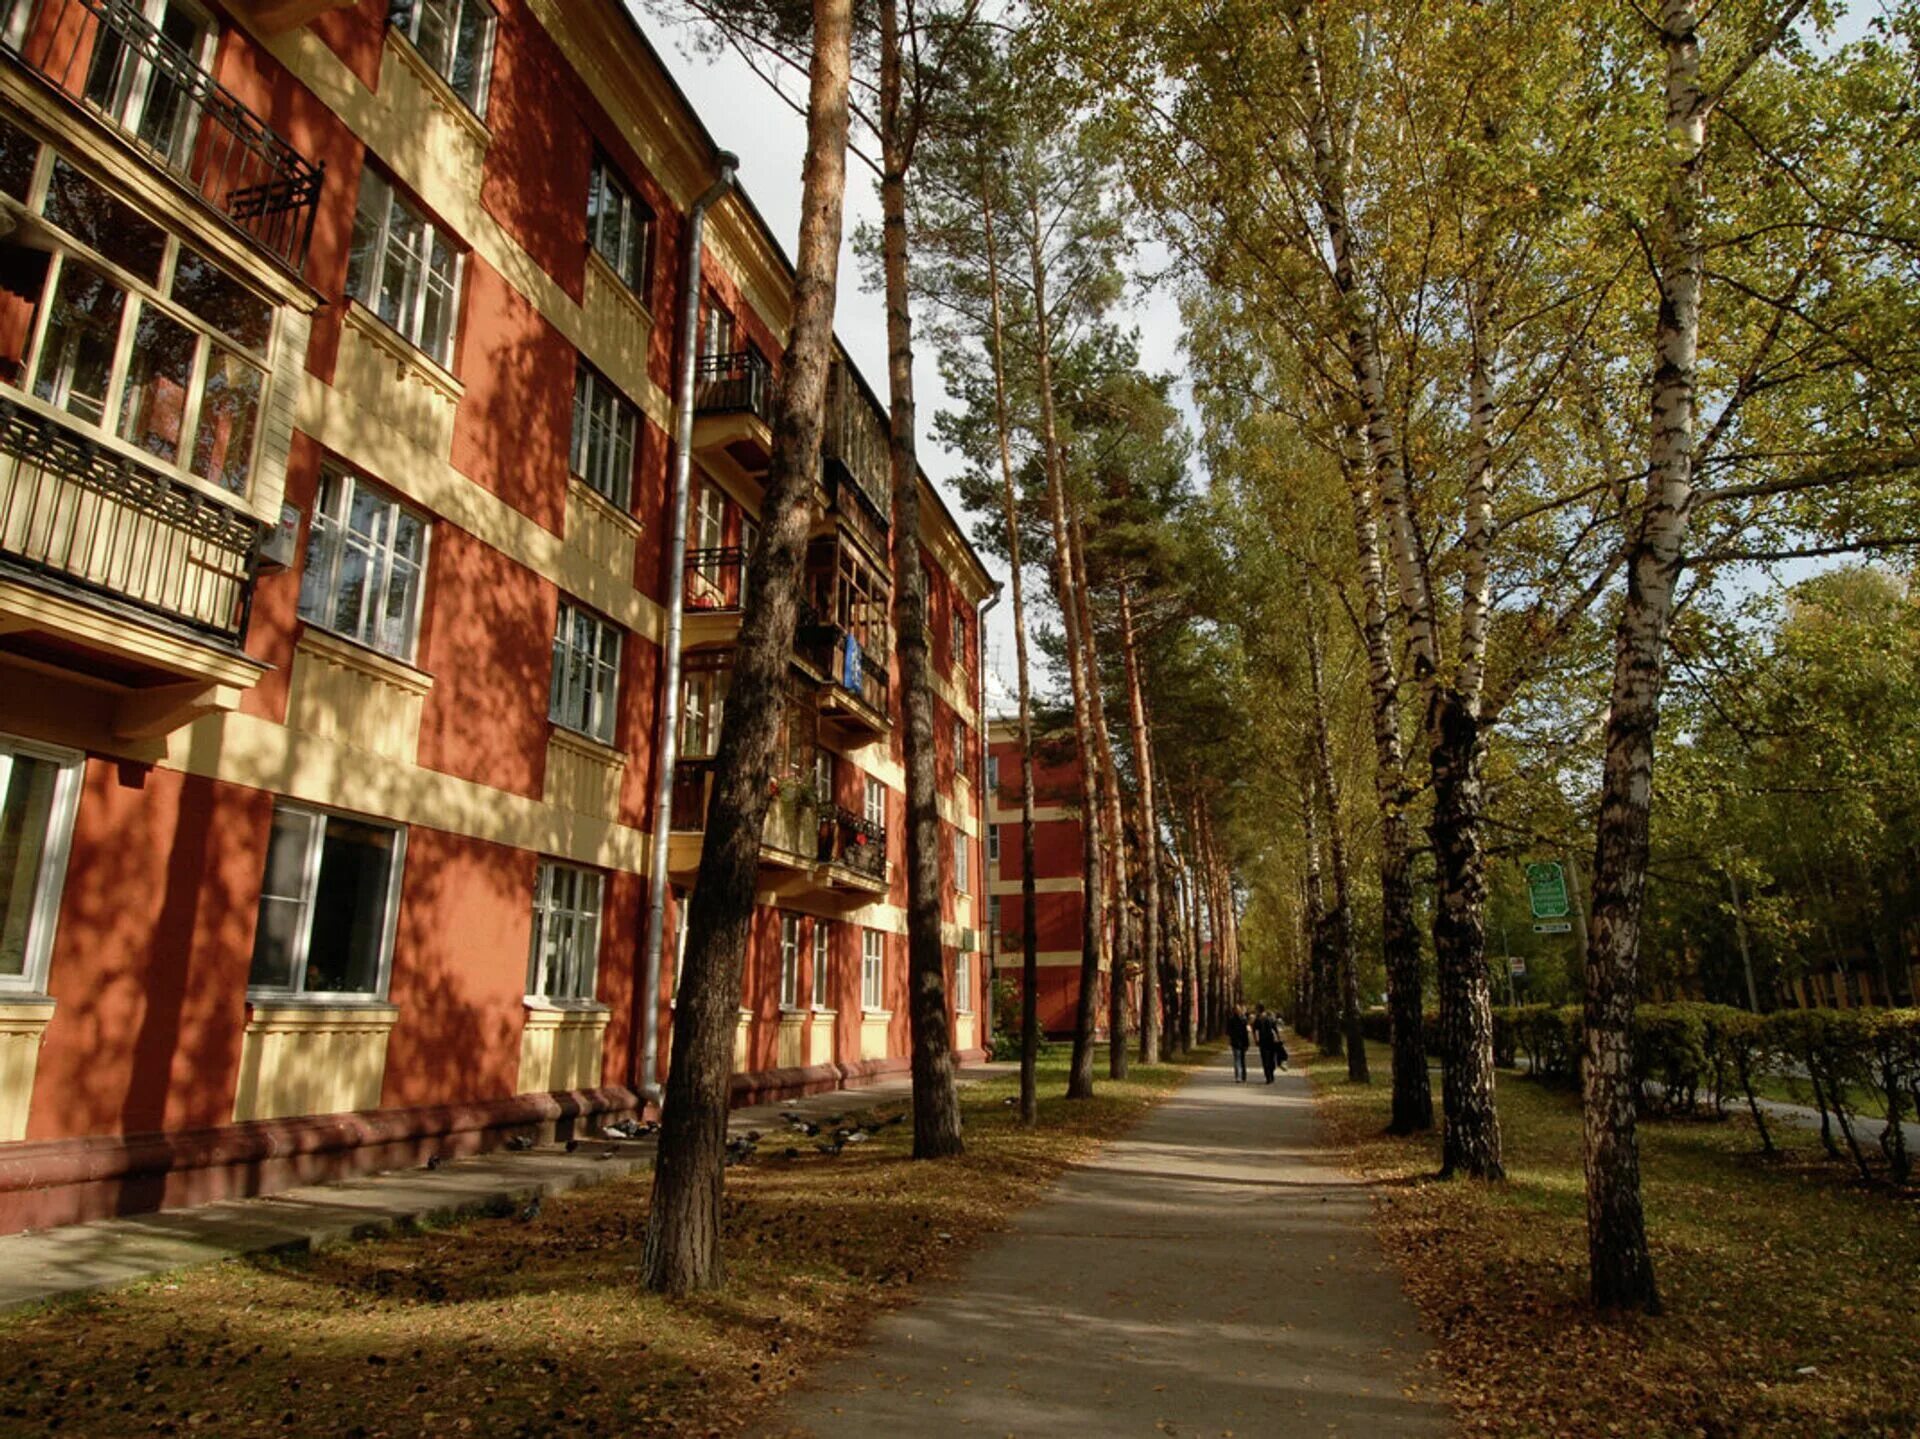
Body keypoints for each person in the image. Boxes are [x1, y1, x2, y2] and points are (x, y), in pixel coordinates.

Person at [1253, 1005, 1283, 1083]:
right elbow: (1275, 1029)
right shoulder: (1270, 1018)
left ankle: (1268, 1076)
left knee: (1265, 1060)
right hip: (1271, 1041)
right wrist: (1278, 1038)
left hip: (1263, 1042)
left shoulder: (1258, 1020)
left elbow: (1255, 1031)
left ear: (1259, 1010)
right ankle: (1271, 1073)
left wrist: (1256, 1040)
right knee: (1271, 1058)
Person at [1225, 1007, 1251, 1082]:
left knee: (1237, 1059)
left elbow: (1228, 1032)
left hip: (1235, 1042)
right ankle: (1243, 1075)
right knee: (1242, 1059)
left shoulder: (1231, 1020)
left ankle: (1238, 1077)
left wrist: (1229, 1040)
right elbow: (1247, 1032)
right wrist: (1247, 1043)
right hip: (1243, 1042)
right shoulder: (1244, 1020)